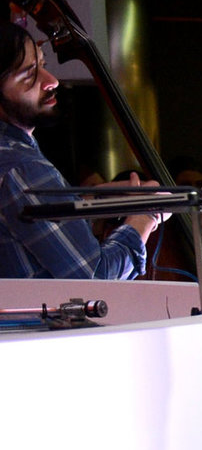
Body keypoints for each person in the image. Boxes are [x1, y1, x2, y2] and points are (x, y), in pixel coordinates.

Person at [0, 21, 166, 279]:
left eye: (42, 65)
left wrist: (90, 200)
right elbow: (96, 280)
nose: (52, 81)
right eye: (29, 75)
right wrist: (145, 215)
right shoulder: (21, 167)